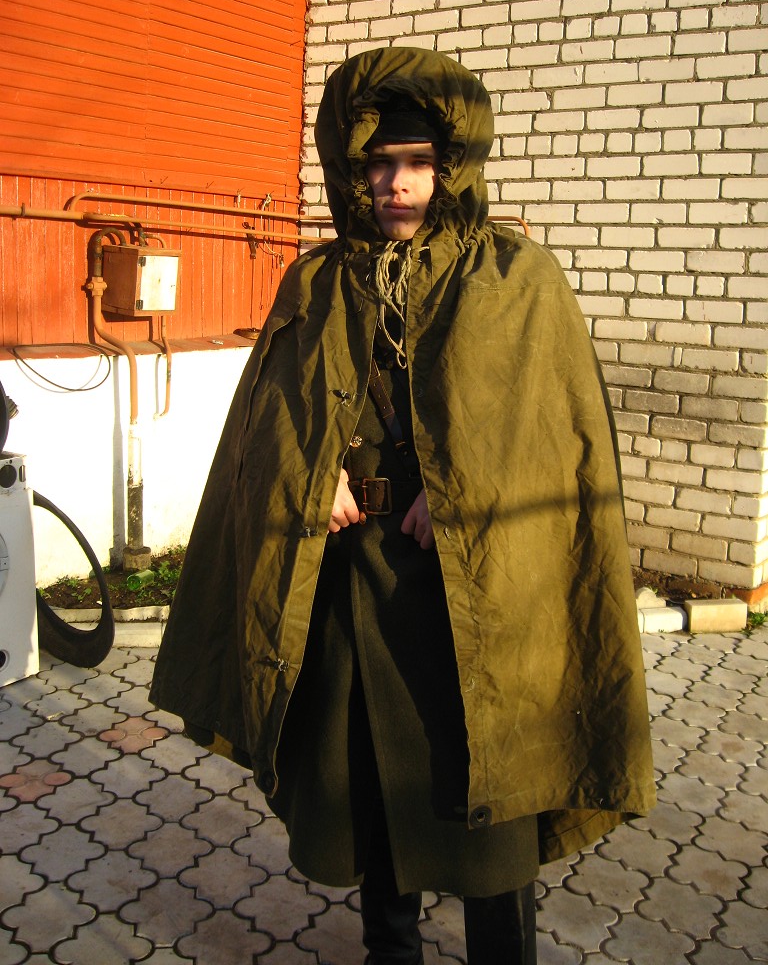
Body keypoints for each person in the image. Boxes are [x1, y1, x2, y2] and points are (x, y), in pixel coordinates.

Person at [150, 47, 655, 965]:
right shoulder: (316, 280)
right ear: (353, 171)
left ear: (452, 165)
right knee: (376, 792)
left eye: (419, 161)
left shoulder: (515, 276)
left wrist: (461, 500)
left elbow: (552, 434)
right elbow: (267, 423)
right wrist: (315, 480)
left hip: (477, 593)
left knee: (490, 783)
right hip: (355, 583)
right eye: (380, 163)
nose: (398, 184)